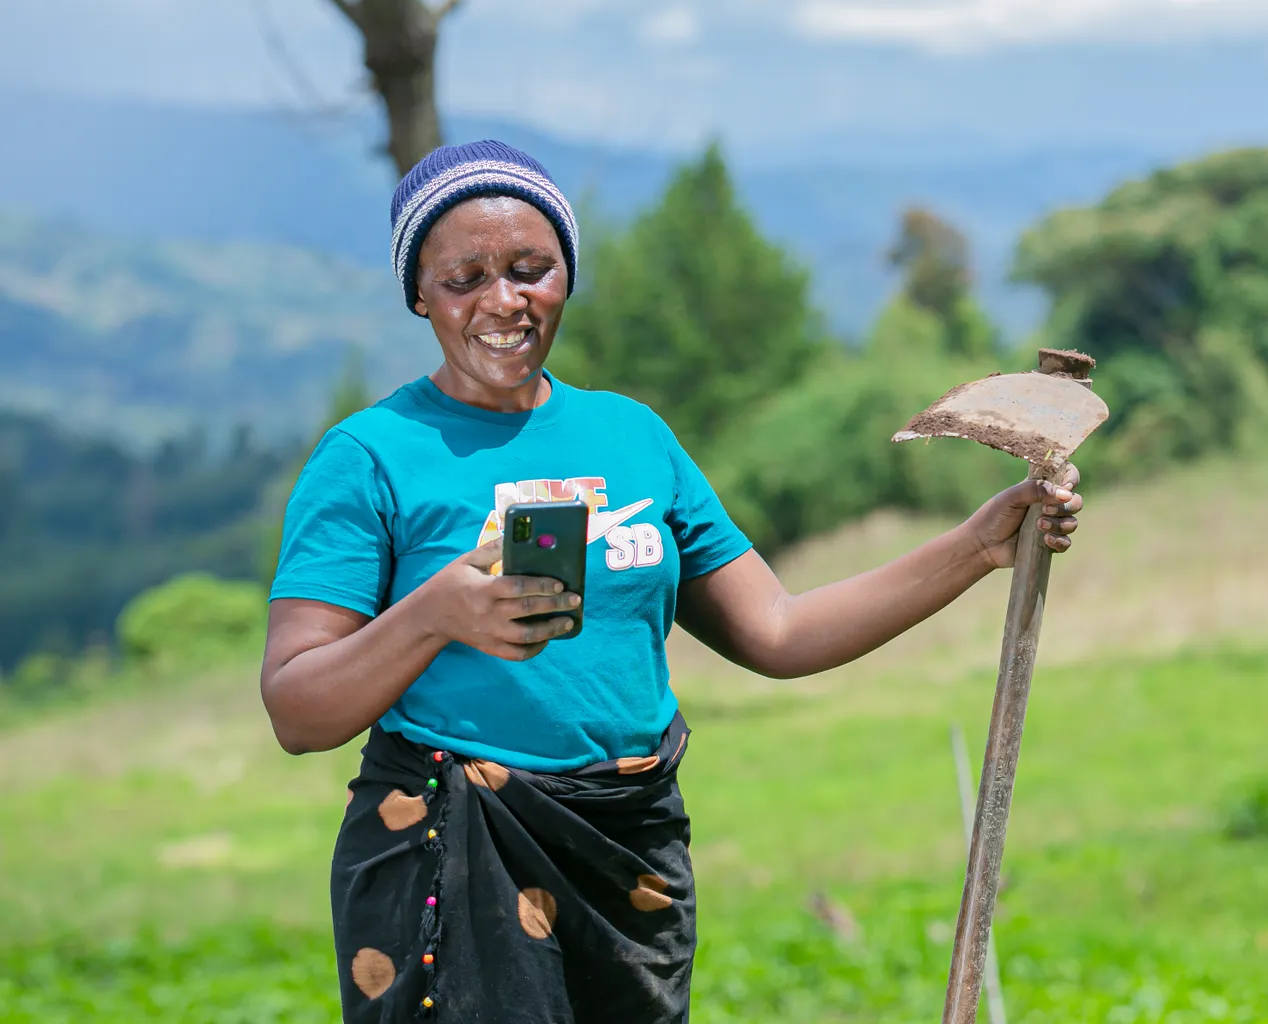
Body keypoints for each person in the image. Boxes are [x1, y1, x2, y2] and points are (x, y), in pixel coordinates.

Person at [260, 140, 1085, 1024]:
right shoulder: (369, 457)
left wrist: (975, 546)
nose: (504, 301)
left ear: (565, 276)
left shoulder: (632, 438)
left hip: (631, 851)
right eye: (464, 279)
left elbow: (778, 631)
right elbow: (297, 709)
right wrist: (434, 615)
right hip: (455, 848)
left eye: (530, 269)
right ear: (419, 294)